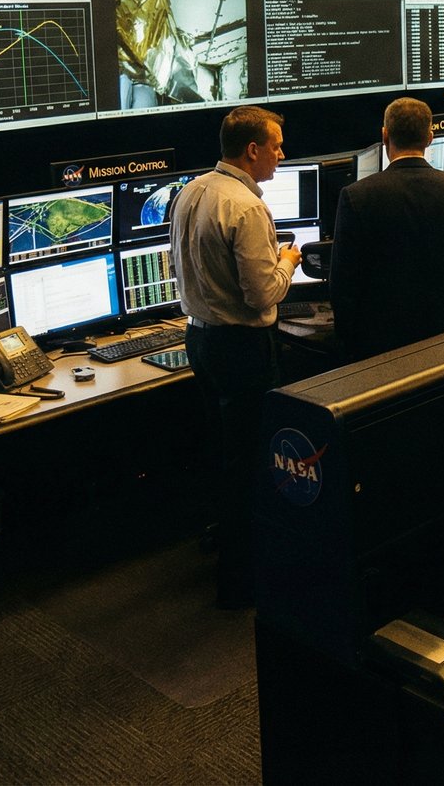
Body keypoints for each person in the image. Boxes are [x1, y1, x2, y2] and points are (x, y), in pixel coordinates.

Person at [169, 106, 304, 606]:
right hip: (243, 348)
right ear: (252, 150)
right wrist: (287, 263)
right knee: (250, 462)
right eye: (276, 145)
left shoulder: (191, 191)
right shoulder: (247, 208)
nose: (280, 154)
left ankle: (228, 549)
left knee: (224, 454)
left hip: (200, 341)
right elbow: (261, 293)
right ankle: (241, 582)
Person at [331, 97, 444, 361]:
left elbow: (344, 286)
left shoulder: (356, 196)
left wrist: (351, 348)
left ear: (384, 135)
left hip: (380, 350)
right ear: (430, 138)